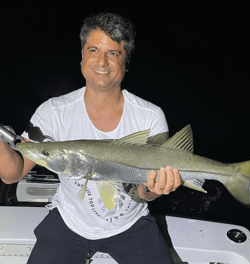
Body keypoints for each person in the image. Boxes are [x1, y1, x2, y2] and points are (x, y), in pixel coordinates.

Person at [0, 13, 181, 264]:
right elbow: (13, 172)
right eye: (93, 50)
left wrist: (154, 190)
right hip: (68, 222)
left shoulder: (150, 116)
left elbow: (143, 192)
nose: (102, 62)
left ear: (126, 62)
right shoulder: (54, 111)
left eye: (114, 53)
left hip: (131, 224)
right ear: (82, 56)